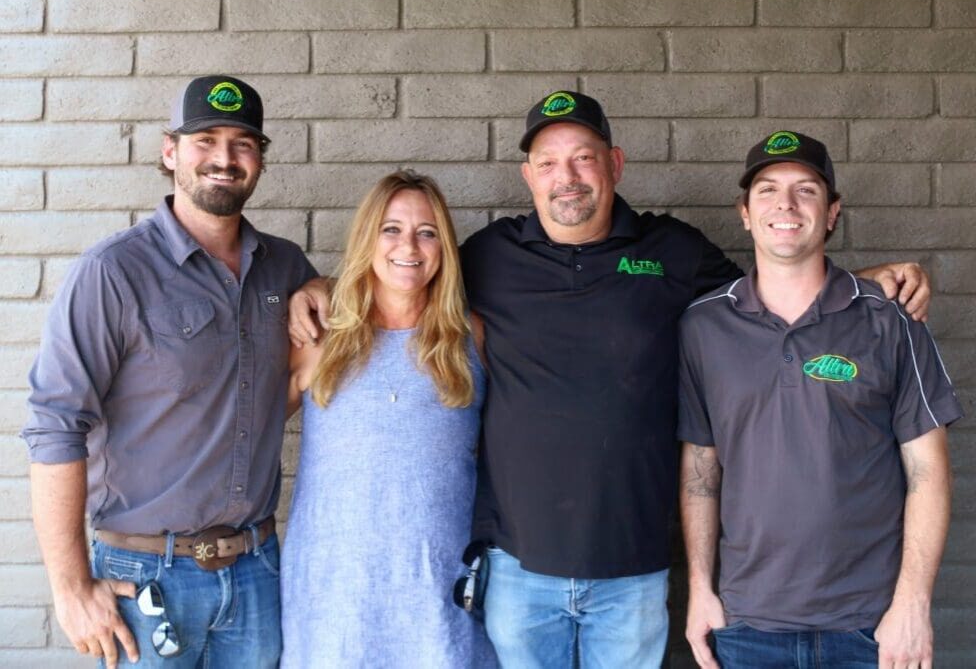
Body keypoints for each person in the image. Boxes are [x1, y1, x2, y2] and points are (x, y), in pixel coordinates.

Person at [288, 92, 932, 667]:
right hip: (518, 569)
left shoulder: (673, 252)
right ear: (528, 177)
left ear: (615, 164)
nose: (566, 178)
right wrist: (317, 289)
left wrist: (865, 282)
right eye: (548, 162)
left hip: (634, 570)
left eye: (584, 158)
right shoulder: (487, 257)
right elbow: (403, 270)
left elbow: (771, 291)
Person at [23, 75, 317, 668]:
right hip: (145, 579)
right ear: (170, 151)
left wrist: (323, 285)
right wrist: (71, 587)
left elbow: (270, 390)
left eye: (242, 143)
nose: (224, 158)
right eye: (205, 139)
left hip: (256, 571)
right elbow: (55, 427)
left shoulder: (283, 266)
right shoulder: (113, 273)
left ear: (259, 159)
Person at [678, 131, 962, 669]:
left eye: (806, 190)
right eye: (767, 190)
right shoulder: (703, 326)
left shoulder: (891, 319)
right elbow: (700, 468)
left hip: (871, 626)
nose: (785, 205)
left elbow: (929, 472)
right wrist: (700, 588)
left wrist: (912, 605)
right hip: (747, 623)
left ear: (832, 212)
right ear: (744, 212)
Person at [281, 170, 497, 667]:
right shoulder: (320, 334)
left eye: (427, 232)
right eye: (391, 229)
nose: (410, 246)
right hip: (334, 590)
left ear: (444, 246)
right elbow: (245, 433)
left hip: (440, 584)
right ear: (367, 238)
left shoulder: (473, 337)